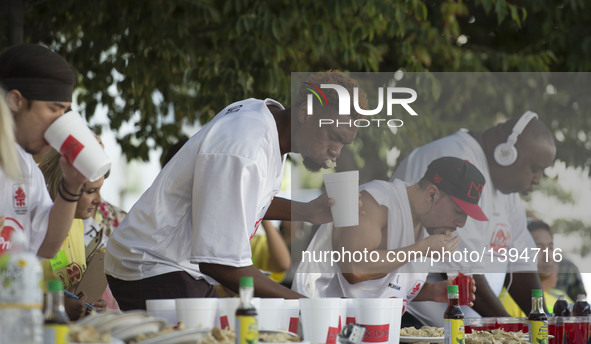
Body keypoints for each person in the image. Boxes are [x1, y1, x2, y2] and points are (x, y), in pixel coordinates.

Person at [105, 71, 368, 310]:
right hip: (152, 266)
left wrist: (308, 211)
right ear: (305, 114)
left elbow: (240, 199)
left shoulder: (266, 124)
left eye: (344, 142)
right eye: (334, 136)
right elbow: (221, 264)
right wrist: (310, 306)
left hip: (171, 265)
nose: (336, 150)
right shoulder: (247, 146)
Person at [392, 111, 556, 326]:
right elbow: (461, 270)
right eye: (535, 169)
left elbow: (520, 265)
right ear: (505, 153)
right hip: (412, 322)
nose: (538, 180)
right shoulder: (454, 160)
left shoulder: (508, 189)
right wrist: (510, 329)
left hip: (465, 327)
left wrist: (545, 321)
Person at [293, 157, 485, 311]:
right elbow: (355, 268)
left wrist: (431, 292)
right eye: (459, 212)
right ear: (432, 194)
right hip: (319, 325)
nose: (461, 223)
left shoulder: (424, 223)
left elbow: (383, 286)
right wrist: (420, 249)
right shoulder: (377, 200)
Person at [0, 43, 87, 258]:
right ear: (15, 100)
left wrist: (72, 185)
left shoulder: (24, 165)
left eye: (65, 112)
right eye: (54, 109)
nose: (60, 124)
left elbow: (47, 246)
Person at [38, 147, 108, 320]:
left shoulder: (78, 222)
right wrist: (58, 306)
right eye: (91, 191)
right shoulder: (33, 223)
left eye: (99, 190)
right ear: (65, 185)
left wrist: (90, 304)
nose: (99, 200)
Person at [500, 220, 573, 316]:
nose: (548, 256)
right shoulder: (508, 300)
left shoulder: (561, 297)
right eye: (538, 248)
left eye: (550, 248)